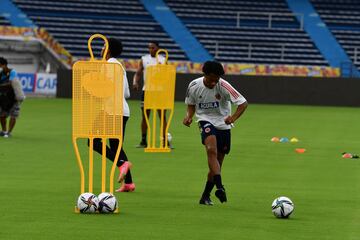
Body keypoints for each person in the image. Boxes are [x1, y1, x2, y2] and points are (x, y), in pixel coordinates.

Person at [183, 61, 248, 205]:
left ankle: (205, 196)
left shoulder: (224, 86)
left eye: (216, 79)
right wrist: (189, 116)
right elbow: (191, 104)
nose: (213, 82)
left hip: (223, 124)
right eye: (211, 79)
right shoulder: (194, 85)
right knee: (211, 150)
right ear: (204, 74)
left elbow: (243, 103)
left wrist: (233, 118)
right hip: (205, 120)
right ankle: (220, 186)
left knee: (217, 163)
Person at [88, 38, 135, 192]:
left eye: (103, 46)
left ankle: (122, 164)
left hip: (111, 110)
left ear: (108, 50)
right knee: (116, 147)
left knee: (93, 141)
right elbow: (126, 93)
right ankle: (128, 183)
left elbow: (103, 89)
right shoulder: (120, 66)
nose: (101, 49)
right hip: (122, 110)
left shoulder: (108, 65)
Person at [132, 41, 172, 148]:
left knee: (162, 116)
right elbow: (138, 72)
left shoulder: (163, 60)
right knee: (145, 116)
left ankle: (165, 141)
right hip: (147, 90)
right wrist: (135, 82)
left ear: (158, 48)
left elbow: (168, 75)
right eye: (149, 48)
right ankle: (143, 140)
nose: (151, 50)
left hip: (160, 91)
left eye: (153, 48)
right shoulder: (144, 59)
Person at [0, 57, 25, 138]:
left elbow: (11, 84)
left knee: (13, 115)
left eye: (0, 65)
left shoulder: (12, 72)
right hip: (4, 98)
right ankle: (4, 131)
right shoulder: (1, 73)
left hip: (14, 97)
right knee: (2, 115)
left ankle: (9, 132)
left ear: (4, 65)